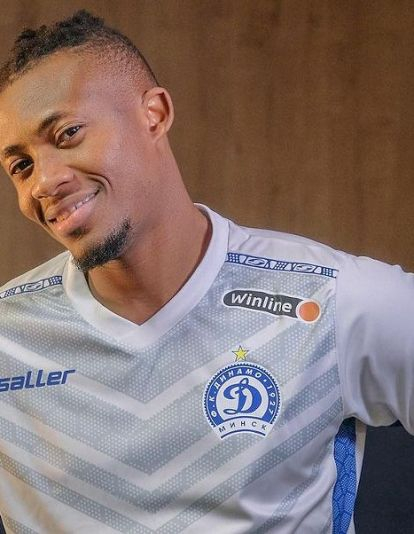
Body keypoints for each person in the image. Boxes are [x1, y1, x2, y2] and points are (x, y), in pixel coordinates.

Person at [0, 10, 412, 534]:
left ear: (154, 115)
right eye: (21, 166)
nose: (43, 182)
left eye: (68, 134)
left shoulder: (333, 301)